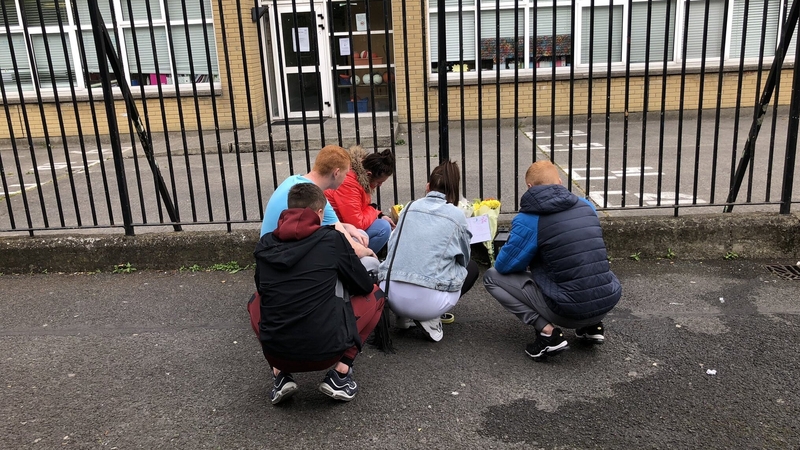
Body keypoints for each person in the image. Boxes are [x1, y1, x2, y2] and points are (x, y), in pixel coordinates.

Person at [249, 183, 385, 404]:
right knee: (377, 296)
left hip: (278, 353)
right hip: (327, 352)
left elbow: (263, 289)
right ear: (320, 213)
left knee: (255, 301)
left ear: (289, 209)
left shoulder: (265, 244)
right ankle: (340, 375)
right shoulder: (332, 240)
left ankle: (280, 375)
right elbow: (363, 285)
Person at [483, 160, 622, 361]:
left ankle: (547, 333)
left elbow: (505, 266)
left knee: (491, 277)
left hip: (567, 311)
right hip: (607, 300)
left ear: (530, 187)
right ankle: (592, 325)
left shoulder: (529, 218)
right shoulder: (587, 206)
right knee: (588, 265)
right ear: (559, 181)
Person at [377, 160, 479, 342]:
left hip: (390, 293)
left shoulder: (409, 207)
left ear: (428, 186)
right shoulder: (457, 215)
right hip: (427, 302)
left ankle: (404, 316)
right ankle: (430, 318)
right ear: (454, 190)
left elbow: (393, 245)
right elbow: (464, 258)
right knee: (471, 268)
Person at [259, 144, 376, 261]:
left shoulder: (293, 180)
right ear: (336, 173)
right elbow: (355, 250)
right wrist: (371, 253)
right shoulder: (317, 198)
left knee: (357, 233)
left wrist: (346, 226)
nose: (346, 179)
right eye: (345, 174)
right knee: (366, 258)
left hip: (268, 253)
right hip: (284, 258)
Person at [325, 146, 396, 254]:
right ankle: (362, 259)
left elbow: (361, 208)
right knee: (383, 228)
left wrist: (379, 215)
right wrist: (373, 211)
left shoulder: (359, 179)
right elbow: (357, 223)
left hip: (344, 224)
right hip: (334, 230)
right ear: (369, 174)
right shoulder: (349, 184)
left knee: (384, 224)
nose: (380, 185)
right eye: (379, 182)